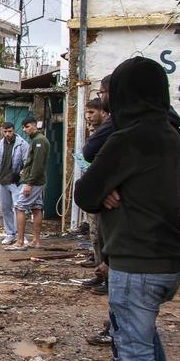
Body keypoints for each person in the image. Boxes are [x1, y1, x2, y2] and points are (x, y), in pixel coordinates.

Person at [74, 57, 180, 361]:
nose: (104, 100)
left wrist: (108, 187)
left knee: (135, 350)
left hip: (138, 259)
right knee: (129, 341)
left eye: (109, 93)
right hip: (168, 256)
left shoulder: (127, 138)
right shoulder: (172, 134)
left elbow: (86, 193)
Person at [80, 94, 114, 293]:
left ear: (103, 112)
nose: (88, 116)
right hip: (98, 192)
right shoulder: (99, 131)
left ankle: (108, 278)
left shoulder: (110, 130)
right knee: (96, 236)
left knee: (104, 236)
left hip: (107, 193)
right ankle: (101, 274)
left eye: (92, 112)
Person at [5, 116, 49, 250]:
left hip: (34, 181)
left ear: (34, 126)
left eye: (27, 126)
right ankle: (36, 241)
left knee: (19, 206)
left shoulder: (39, 140)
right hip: (35, 179)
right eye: (23, 127)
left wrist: (29, 183)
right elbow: (33, 163)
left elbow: (38, 165)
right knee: (36, 207)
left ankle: (20, 242)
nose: (24, 129)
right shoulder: (36, 140)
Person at [0, 121, 27, 244]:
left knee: (18, 208)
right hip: (2, 180)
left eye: (9, 131)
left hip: (16, 181)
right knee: (5, 209)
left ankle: (20, 234)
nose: (7, 134)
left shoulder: (22, 144)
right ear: (2, 131)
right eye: (5, 131)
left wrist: (23, 175)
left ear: (14, 130)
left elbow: (27, 162)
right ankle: (10, 233)